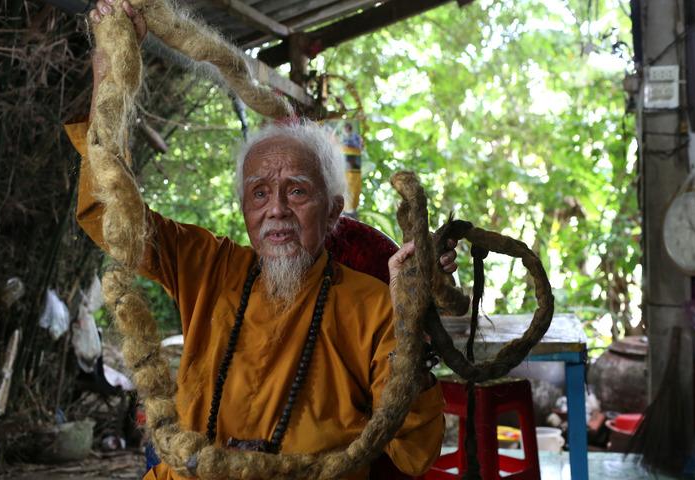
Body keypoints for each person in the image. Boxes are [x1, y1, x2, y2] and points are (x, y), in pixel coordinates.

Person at [74, 3, 460, 479]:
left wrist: (411, 318)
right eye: (259, 193)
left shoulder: (374, 307)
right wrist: (109, 65)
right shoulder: (207, 267)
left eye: (296, 190)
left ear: (333, 211)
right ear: (243, 208)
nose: (275, 208)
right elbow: (109, 215)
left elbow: (414, 453)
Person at [341, 123, 365, 215]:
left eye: (347, 128)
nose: (346, 129)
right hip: (347, 158)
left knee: (351, 180)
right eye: (345, 128)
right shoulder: (341, 137)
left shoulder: (356, 136)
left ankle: (349, 209)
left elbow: (361, 146)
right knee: (348, 179)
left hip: (353, 158)